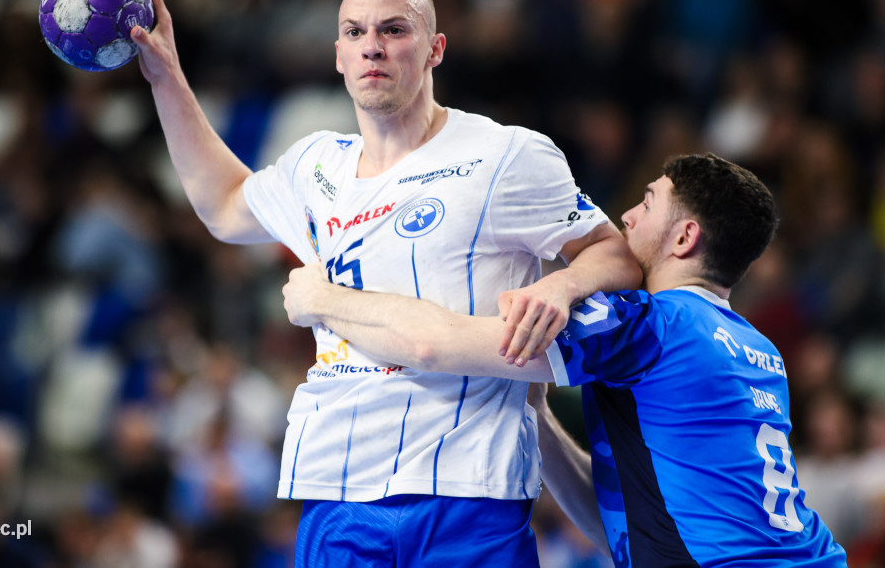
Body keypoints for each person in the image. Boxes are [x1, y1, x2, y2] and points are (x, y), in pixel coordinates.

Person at [130, 0, 641, 567]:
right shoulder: (314, 166)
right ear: (340, 56)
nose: (372, 44)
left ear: (434, 49)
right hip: (335, 488)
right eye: (355, 32)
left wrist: (565, 282)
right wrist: (166, 77)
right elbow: (222, 205)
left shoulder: (506, 155)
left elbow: (617, 254)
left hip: (469, 489)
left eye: (394, 29)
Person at [282, 153, 848, 566]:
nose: (626, 216)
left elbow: (436, 344)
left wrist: (325, 300)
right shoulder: (757, 349)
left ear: (684, 238)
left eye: (647, 203)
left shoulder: (647, 325)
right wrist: (540, 418)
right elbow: (622, 527)